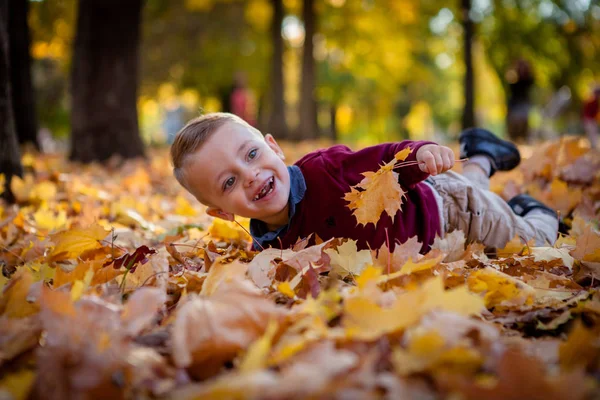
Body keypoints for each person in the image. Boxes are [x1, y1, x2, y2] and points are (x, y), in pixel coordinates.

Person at [170, 113, 558, 253]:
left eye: (252, 155)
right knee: (467, 181)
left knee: (534, 244)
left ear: (273, 147)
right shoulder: (266, 250)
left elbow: (385, 159)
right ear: (221, 212)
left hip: (450, 213)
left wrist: (419, 152)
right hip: (441, 209)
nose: (251, 174)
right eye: (229, 181)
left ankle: (531, 208)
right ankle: (482, 155)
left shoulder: (326, 170)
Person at [506, 59, 535, 142]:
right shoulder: (514, 81)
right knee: (514, 127)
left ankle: (522, 138)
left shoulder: (528, 80)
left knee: (523, 125)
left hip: (523, 106)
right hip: (515, 106)